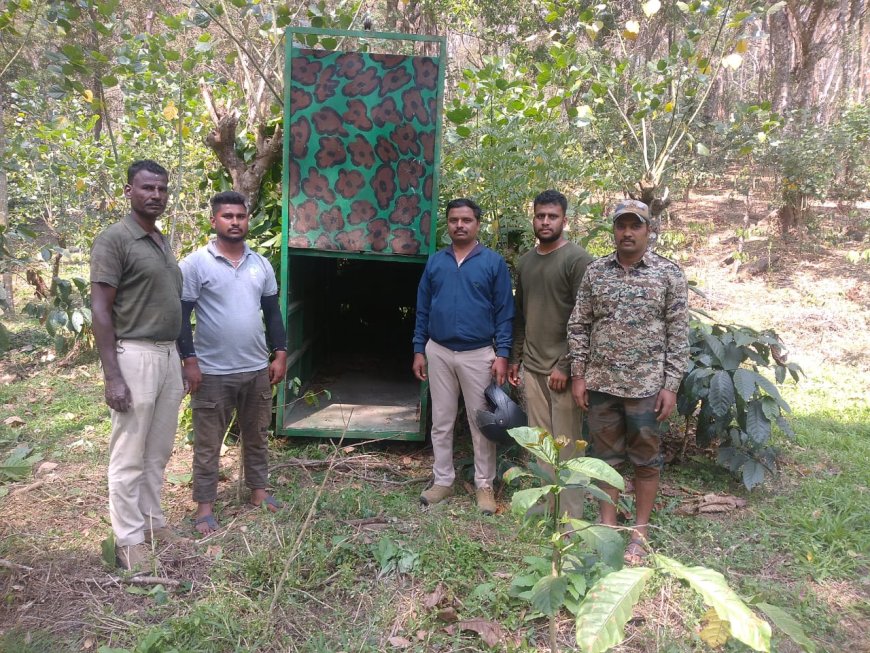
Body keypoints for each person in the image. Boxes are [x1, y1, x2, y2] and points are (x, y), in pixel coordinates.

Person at [567, 199, 689, 564]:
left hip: (646, 389)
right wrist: (578, 374)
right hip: (601, 384)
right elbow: (579, 324)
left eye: (636, 226)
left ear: (649, 231)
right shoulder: (596, 271)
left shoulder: (668, 274)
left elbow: (678, 333)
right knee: (606, 460)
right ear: (614, 230)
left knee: (646, 461)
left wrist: (671, 384)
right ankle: (608, 528)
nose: (628, 232)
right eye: (622, 225)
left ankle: (639, 532)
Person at [90, 160, 185, 570]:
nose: (156, 196)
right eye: (147, 188)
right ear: (128, 191)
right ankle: (128, 540)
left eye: (162, 189)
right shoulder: (115, 239)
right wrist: (113, 375)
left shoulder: (159, 240)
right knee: (128, 453)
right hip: (135, 355)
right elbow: (100, 310)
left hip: (168, 355)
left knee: (157, 450)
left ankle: (152, 522)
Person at [179, 191, 287, 535]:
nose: (235, 222)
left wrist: (280, 353)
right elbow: (181, 316)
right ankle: (205, 508)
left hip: (256, 368)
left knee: (257, 435)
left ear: (247, 220)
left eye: (240, 216)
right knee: (209, 443)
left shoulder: (260, 264)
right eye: (228, 216)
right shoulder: (196, 264)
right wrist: (189, 361)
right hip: (211, 372)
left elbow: (272, 313)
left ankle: (257, 492)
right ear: (214, 221)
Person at [412, 198, 514, 515]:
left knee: (480, 422)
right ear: (448, 224)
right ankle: (443, 480)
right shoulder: (436, 262)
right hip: (439, 350)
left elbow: (505, 312)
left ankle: (484, 485)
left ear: (477, 224)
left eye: (466, 220)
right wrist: (419, 348)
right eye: (454, 220)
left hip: (478, 353)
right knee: (441, 421)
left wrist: (503, 354)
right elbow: (422, 308)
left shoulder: (492, 263)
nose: (460, 225)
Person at [508, 190, 593, 519]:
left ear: (564, 220)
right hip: (533, 367)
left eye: (552, 216)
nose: (545, 222)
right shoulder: (526, 262)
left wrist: (566, 366)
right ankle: (544, 509)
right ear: (533, 218)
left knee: (567, 444)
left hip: (563, 372)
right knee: (539, 443)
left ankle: (570, 517)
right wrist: (517, 358)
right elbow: (521, 315)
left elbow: (585, 319)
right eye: (540, 216)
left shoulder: (577, 260)